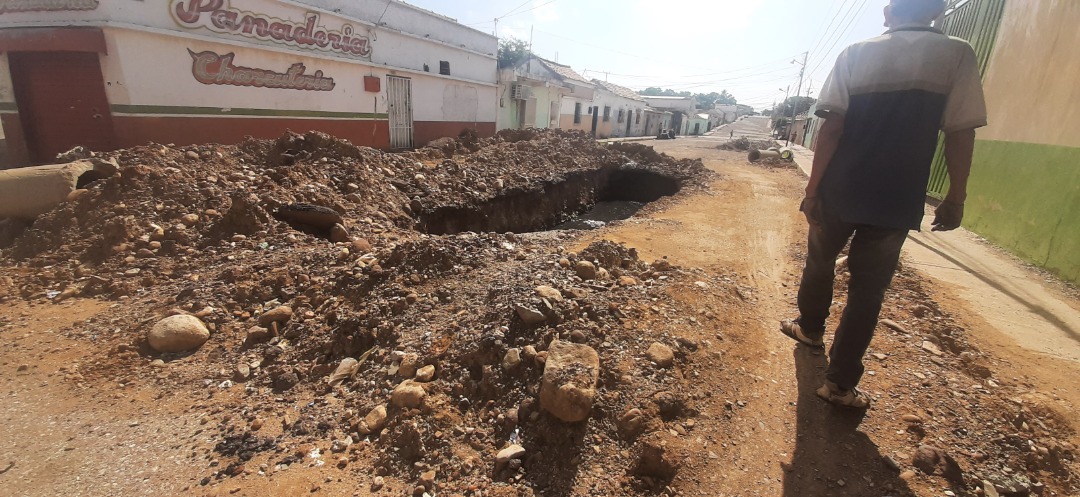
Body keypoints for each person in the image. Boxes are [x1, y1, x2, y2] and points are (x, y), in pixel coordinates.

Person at [780, 0, 986, 409]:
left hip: (840, 191)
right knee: (867, 291)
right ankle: (839, 385)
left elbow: (832, 126)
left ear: (889, 13)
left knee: (820, 262)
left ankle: (810, 330)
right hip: (897, 197)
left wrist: (812, 191)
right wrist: (956, 196)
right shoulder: (957, 54)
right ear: (937, 12)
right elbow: (960, 133)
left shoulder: (856, 54)